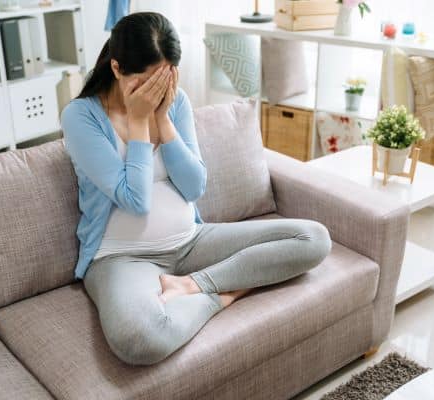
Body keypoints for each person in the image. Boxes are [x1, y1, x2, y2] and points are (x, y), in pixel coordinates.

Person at [61, 12, 332, 366]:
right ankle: (221, 295)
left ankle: (192, 285)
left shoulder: (176, 102)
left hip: (192, 242)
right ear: (116, 68)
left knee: (314, 238)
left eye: (166, 78)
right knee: (139, 340)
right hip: (120, 257)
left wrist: (161, 117)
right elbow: (135, 199)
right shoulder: (81, 116)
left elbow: (193, 187)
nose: (158, 90)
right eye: (146, 81)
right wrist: (141, 121)